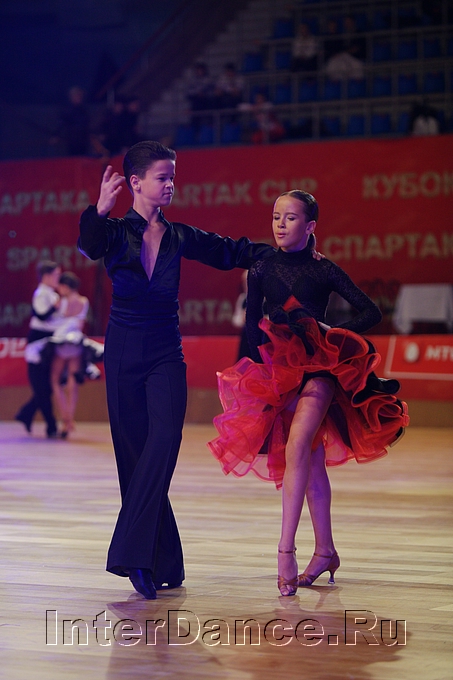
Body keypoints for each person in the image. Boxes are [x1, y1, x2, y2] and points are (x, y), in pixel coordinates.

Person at [77, 140, 286, 600]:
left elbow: (232, 251)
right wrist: (99, 209)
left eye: (173, 176)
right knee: (134, 456)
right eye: (162, 177)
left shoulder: (180, 236)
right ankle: (163, 560)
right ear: (136, 183)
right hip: (123, 352)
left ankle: (133, 556)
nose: (171, 184)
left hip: (165, 352)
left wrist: (287, 253)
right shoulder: (114, 232)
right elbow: (89, 245)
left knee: (165, 440)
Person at [208, 190, 409, 596]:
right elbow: (252, 328)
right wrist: (261, 376)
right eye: (276, 217)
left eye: (291, 217)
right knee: (312, 462)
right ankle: (326, 552)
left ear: (310, 225)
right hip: (279, 372)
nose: (281, 224)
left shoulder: (323, 269)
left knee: (297, 445)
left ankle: (285, 552)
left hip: (320, 370)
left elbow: (371, 311)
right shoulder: (261, 267)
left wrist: (332, 337)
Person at [15, 260, 62, 438]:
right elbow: (41, 315)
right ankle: (50, 425)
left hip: (49, 343)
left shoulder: (52, 294)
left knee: (46, 387)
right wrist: (55, 307)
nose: (58, 278)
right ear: (46, 276)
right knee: (42, 386)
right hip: (38, 343)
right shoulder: (41, 294)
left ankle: (26, 414)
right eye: (56, 275)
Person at [50, 272, 90, 438]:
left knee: (55, 380)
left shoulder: (62, 302)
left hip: (62, 343)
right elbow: (80, 323)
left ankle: (65, 418)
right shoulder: (84, 301)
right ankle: (69, 418)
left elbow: (55, 321)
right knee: (72, 383)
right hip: (76, 343)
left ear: (65, 286)